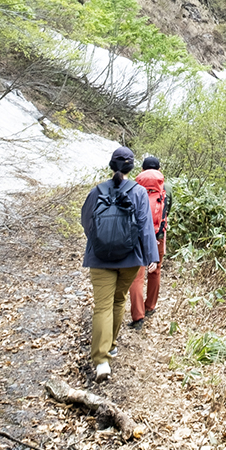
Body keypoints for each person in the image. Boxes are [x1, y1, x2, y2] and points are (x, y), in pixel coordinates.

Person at [80, 145, 158, 381]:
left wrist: (100, 241)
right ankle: (111, 345)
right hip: (130, 258)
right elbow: (145, 226)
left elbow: (86, 221)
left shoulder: (97, 191)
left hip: (99, 258)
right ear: (132, 167)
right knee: (118, 300)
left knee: (102, 306)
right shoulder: (138, 192)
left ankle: (101, 361)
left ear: (111, 165)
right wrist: (151, 256)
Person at [128, 154, 170, 327]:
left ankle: (138, 317)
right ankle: (150, 307)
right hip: (158, 235)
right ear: (159, 170)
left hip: (137, 237)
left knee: (136, 276)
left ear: (142, 170)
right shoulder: (166, 188)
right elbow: (167, 211)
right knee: (155, 271)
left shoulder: (133, 187)